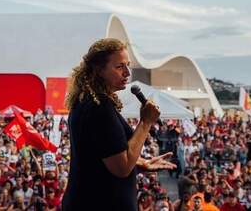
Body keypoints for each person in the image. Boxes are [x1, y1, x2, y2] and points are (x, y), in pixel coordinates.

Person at [62, 38, 176, 211]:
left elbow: (99, 157)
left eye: (127, 65)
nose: (127, 73)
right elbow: (121, 168)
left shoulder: (86, 102)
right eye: (119, 66)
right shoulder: (99, 107)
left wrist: (139, 163)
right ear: (99, 69)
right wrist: (145, 122)